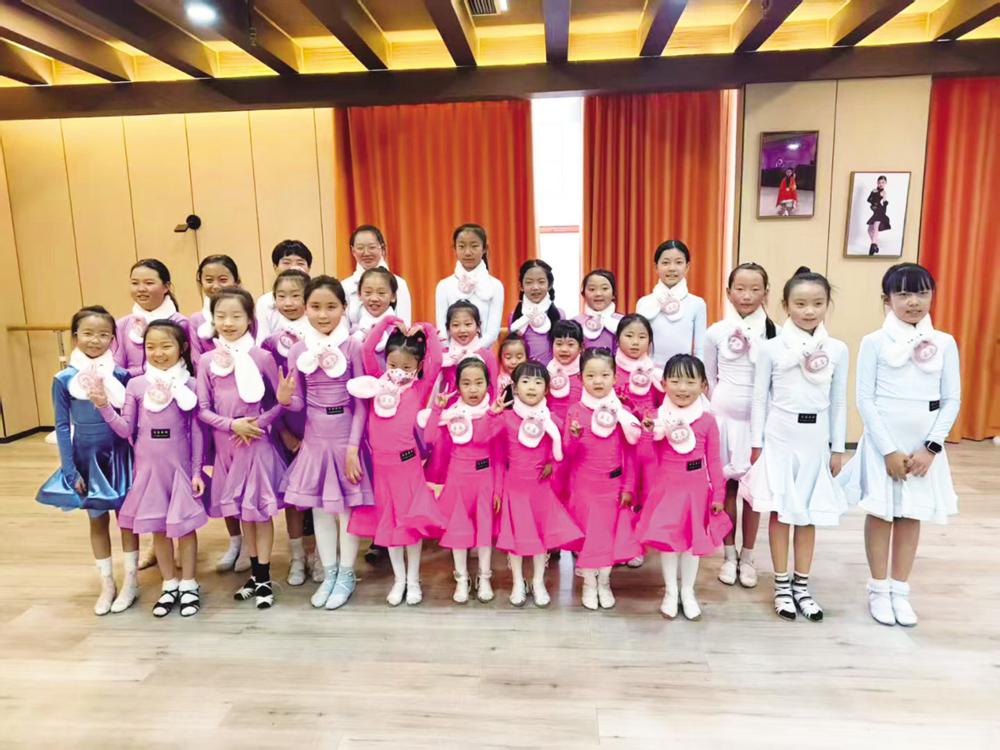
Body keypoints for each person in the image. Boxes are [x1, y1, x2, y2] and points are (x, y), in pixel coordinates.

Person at [838, 263, 960, 627]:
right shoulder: (874, 342)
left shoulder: (944, 343)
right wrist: (888, 450)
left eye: (921, 293)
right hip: (884, 442)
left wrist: (931, 448)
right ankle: (878, 589)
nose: (913, 302)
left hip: (924, 446)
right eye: (903, 294)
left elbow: (951, 399)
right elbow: (865, 399)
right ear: (887, 299)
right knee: (882, 513)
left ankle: (900, 591)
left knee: (911, 514)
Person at [739, 267, 849, 623]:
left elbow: (839, 401)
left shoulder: (837, 349)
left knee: (808, 512)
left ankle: (802, 585)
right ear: (786, 305)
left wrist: (837, 447)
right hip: (780, 436)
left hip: (815, 438)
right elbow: (759, 398)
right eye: (800, 303)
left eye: (817, 303)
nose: (809, 311)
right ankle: (781, 584)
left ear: (827, 304)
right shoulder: (771, 349)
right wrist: (756, 444)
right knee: (780, 511)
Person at [92, 321, 207, 617]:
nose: (158, 353)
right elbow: (126, 429)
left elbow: (197, 433)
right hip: (148, 470)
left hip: (180, 468)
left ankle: (189, 583)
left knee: (185, 528)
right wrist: (105, 406)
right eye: (151, 347)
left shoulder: (191, 385)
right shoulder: (136, 385)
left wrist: (196, 471)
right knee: (158, 528)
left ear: (182, 347)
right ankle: (169, 583)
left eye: (166, 346)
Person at [36, 306, 137, 615]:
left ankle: (132, 580)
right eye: (88, 333)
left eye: (104, 334)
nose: (96, 340)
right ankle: (107, 583)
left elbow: (131, 421)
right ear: (75, 336)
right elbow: (62, 425)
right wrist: (70, 469)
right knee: (97, 519)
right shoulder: (64, 378)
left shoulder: (121, 376)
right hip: (87, 459)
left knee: (128, 520)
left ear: (113, 339)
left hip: (120, 456)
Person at [281, 276, 374, 610]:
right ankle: (329, 572)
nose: (323, 314)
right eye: (316, 307)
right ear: (305, 308)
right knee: (321, 510)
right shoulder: (298, 350)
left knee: (347, 510)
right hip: (315, 439)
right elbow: (299, 403)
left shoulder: (353, 347)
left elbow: (361, 404)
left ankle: (347, 574)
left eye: (331, 307)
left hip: (346, 435)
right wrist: (285, 399)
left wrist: (353, 448)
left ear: (344, 308)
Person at [197, 288, 294, 610]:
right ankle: (254, 574)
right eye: (221, 316)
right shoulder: (207, 361)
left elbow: (279, 403)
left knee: (259, 513)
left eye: (236, 316)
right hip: (227, 446)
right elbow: (202, 409)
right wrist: (231, 425)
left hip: (256, 444)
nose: (228, 322)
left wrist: (257, 423)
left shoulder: (262, 357)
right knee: (242, 514)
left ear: (249, 319)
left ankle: (264, 577)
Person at [347, 316, 446, 606]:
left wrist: (426, 329)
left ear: (417, 366)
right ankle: (399, 579)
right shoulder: (376, 383)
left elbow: (437, 360)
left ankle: (413, 580)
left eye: (406, 366)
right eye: (393, 364)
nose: (398, 371)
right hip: (381, 467)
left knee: (410, 525)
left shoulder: (419, 388)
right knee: (389, 525)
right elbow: (367, 349)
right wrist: (389, 321)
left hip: (408, 467)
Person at [638, 354, 730, 620]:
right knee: (669, 543)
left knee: (691, 544)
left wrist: (719, 494)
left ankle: (688, 592)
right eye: (676, 381)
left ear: (703, 386)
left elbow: (714, 461)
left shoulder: (707, 421)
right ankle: (670, 592)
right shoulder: (657, 418)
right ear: (664, 383)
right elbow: (645, 456)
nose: (682, 388)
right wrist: (647, 432)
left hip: (696, 491)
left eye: (690, 382)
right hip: (666, 489)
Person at [704, 262, 776, 589]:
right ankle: (728, 554)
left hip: (758, 424)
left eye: (755, 289)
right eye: (740, 289)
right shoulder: (716, 332)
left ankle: (748, 555)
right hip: (723, 419)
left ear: (766, 293)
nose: (747, 296)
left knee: (753, 492)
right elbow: (708, 378)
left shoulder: (775, 333)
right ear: (728, 292)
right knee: (726, 488)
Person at [494, 361, 583, 607]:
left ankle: (538, 581)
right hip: (515, 489)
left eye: (537, 382)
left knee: (540, 539)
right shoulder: (506, 418)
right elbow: (495, 455)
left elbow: (564, 453)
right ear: (514, 387)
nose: (531, 387)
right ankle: (517, 582)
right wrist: (493, 414)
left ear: (546, 389)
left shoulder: (552, 420)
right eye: (525, 381)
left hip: (541, 489)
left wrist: (555, 462)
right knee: (516, 539)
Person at [562, 348, 642, 610]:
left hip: (613, 486)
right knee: (589, 536)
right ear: (580, 378)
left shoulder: (623, 413)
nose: (598, 381)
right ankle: (589, 583)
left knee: (608, 537)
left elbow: (630, 455)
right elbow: (567, 453)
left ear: (615, 377)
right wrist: (574, 437)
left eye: (605, 375)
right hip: (584, 486)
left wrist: (629, 487)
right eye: (591, 375)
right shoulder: (575, 411)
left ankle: (604, 582)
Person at [422, 358, 503, 604]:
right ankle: (461, 578)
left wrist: (498, 490)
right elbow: (429, 438)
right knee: (458, 531)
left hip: (485, 479)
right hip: (457, 479)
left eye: (479, 382)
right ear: (457, 386)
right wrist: (438, 409)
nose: (473, 389)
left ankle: (485, 578)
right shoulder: (452, 415)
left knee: (485, 531)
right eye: (466, 383)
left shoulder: (495, 413)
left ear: (488, 385)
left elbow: (495, 453)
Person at [261, 269, 321, 585]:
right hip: (286, 428)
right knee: (293, 498)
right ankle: (297, 557)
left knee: (319, 496)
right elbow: (271, 394)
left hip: (318, 429)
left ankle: (320, 555)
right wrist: (283, 432)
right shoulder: (270, 345)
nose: (288, 302)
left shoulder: (321, 340)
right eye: (281, 296)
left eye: (296, 296)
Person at [635, 240, 707, 367]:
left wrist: (697, 374)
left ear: (687, 267)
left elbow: (700, 351)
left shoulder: (697, 304)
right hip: (649, 372)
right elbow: (638, 344)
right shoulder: (644, 303)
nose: (672, 268)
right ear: (656, 267)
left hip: (682, 373)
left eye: (678, 262)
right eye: (665, 262)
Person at [113, 258, 189, 377]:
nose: (141, 289)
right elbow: (117, 366)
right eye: (135, 283)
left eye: (149, 283)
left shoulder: (181, 322)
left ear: (166, 287)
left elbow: (188, 364)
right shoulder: (122, 324)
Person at [435, 224, 505, 349]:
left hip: (482, 355)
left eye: (474, 246)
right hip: (451, 355)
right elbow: (442, 331)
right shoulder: (444, 286)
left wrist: (470, 353)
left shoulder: (496, 286)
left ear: (484, 248)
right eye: (462, 246)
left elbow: (492, 333)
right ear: (455, 248)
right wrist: (455, 354)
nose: (468, 252)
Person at [341, 225, 412, 326]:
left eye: (372, 247)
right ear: (353, 251)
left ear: (382, 248)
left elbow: (404, 324)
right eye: (360, 248)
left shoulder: (398, 283)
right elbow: (343, 325)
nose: (366, 253)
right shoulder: (345, 286)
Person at [255, 240, 312, 344]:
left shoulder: (315, 297)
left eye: (300, 263)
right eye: (286, 263)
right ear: (275, 267)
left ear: (308, 268)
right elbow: (262, 341)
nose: (293, 267)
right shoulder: (265, 302)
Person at [189, 254, 244, 362]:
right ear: (201, 283)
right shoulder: (196, 320)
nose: (216, 286)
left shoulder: (246, 314)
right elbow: (196, 360)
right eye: (209, 280)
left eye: (223, 280)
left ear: (236, 282)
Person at [508, 259, 563, 365]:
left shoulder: (559, 314)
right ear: (521, 286)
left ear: (549, 285)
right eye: (529, 282)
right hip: (525, 372)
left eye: (541, 282)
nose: (535, 287)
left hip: (553, 371)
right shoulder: (514, 316)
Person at [574, 270, 622, 353]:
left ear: (613, 293)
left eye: (605, 288)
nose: (598, 293)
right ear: (583, 294)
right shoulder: (574, 323)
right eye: (592, 289)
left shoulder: (624, 322)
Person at [866, 175, 891, 255]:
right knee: (869, 230)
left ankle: (873, 245)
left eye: (883, 182)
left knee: (875, 227)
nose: (881, 184)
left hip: (880, 211)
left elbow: (885, 203)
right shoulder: (874, 191)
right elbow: (869, 200)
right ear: (877, 183)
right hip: (875, 212)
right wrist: (872, 193)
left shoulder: (883, 193)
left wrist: (883, 214)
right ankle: (875, 245)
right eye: (879, 182)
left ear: (885, 183)